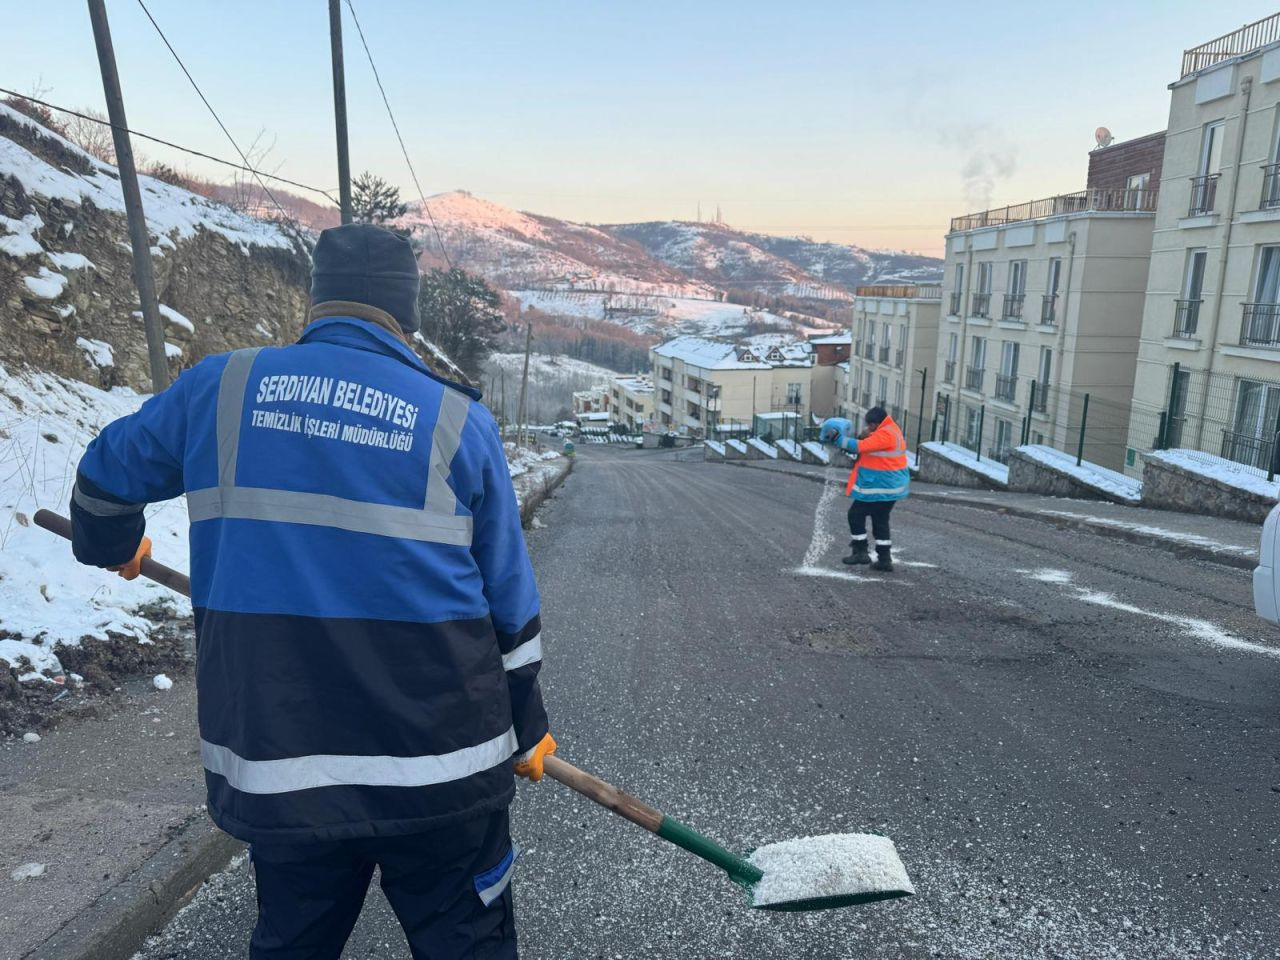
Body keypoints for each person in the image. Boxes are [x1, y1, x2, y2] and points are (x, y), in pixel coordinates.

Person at [69, 223, 554, 960]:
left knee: (294, 941)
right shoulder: (455, 419)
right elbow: (510, 606)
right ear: (406, 313)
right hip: (442, 767)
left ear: (316, 300)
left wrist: (112, 543)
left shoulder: (221, 388)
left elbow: (103, 479)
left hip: (285, 766)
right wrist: (527, 717)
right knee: (467, 942)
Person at [819, 406, 910, 572]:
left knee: (855, 515)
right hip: (889, 486)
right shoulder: (891, 430)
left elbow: (861, 447)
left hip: (881, 486)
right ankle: (884, 559)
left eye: (870, 425)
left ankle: (860, 551)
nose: (868, 428)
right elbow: (868, 448)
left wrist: (838, 439)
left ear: (876, 423)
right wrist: (862, 438)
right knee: (880, 520)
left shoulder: (886, 434)